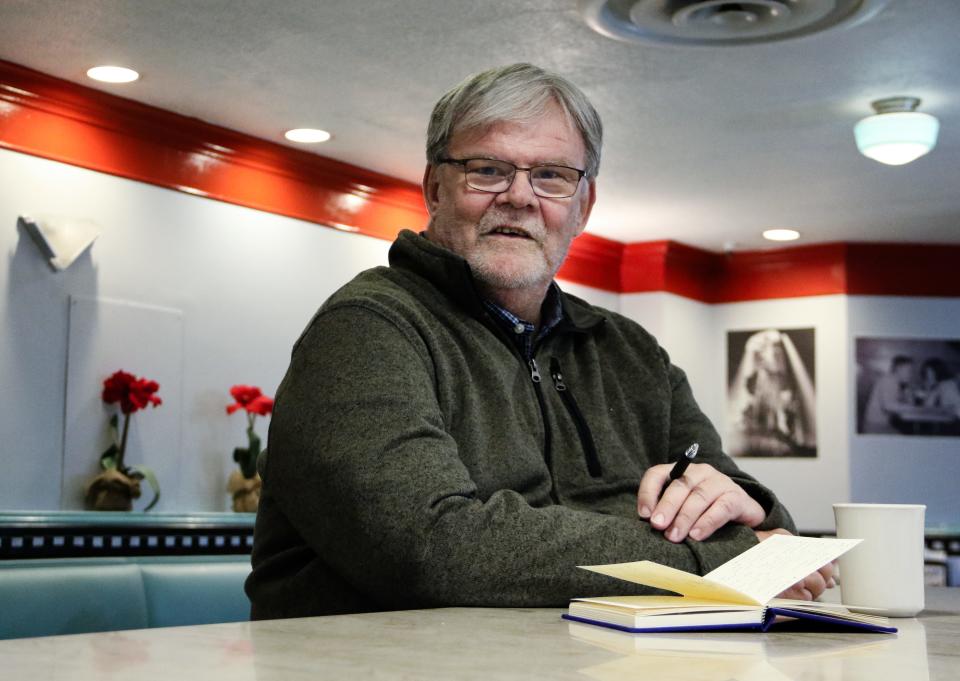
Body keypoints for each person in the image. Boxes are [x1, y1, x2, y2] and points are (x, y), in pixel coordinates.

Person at [246, 63, 831, 619]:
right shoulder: (368, 328)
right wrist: (722, 560)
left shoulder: (632, 353)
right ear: (434, 187)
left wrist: (748, 506)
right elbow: (431, 550)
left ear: (583, 206)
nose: (520, 196)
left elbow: (766, 532)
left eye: (551, 175)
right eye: (488, 169)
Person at [862, 355, 916, 433]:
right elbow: (888, 405)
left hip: (881, 425)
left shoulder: (895, 382)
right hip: (875, 427)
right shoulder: (889, 380)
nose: (911, 375)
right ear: (899, 369)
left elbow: (905, 402)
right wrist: (910, 407)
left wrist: (908, 391)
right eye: (909, 371)